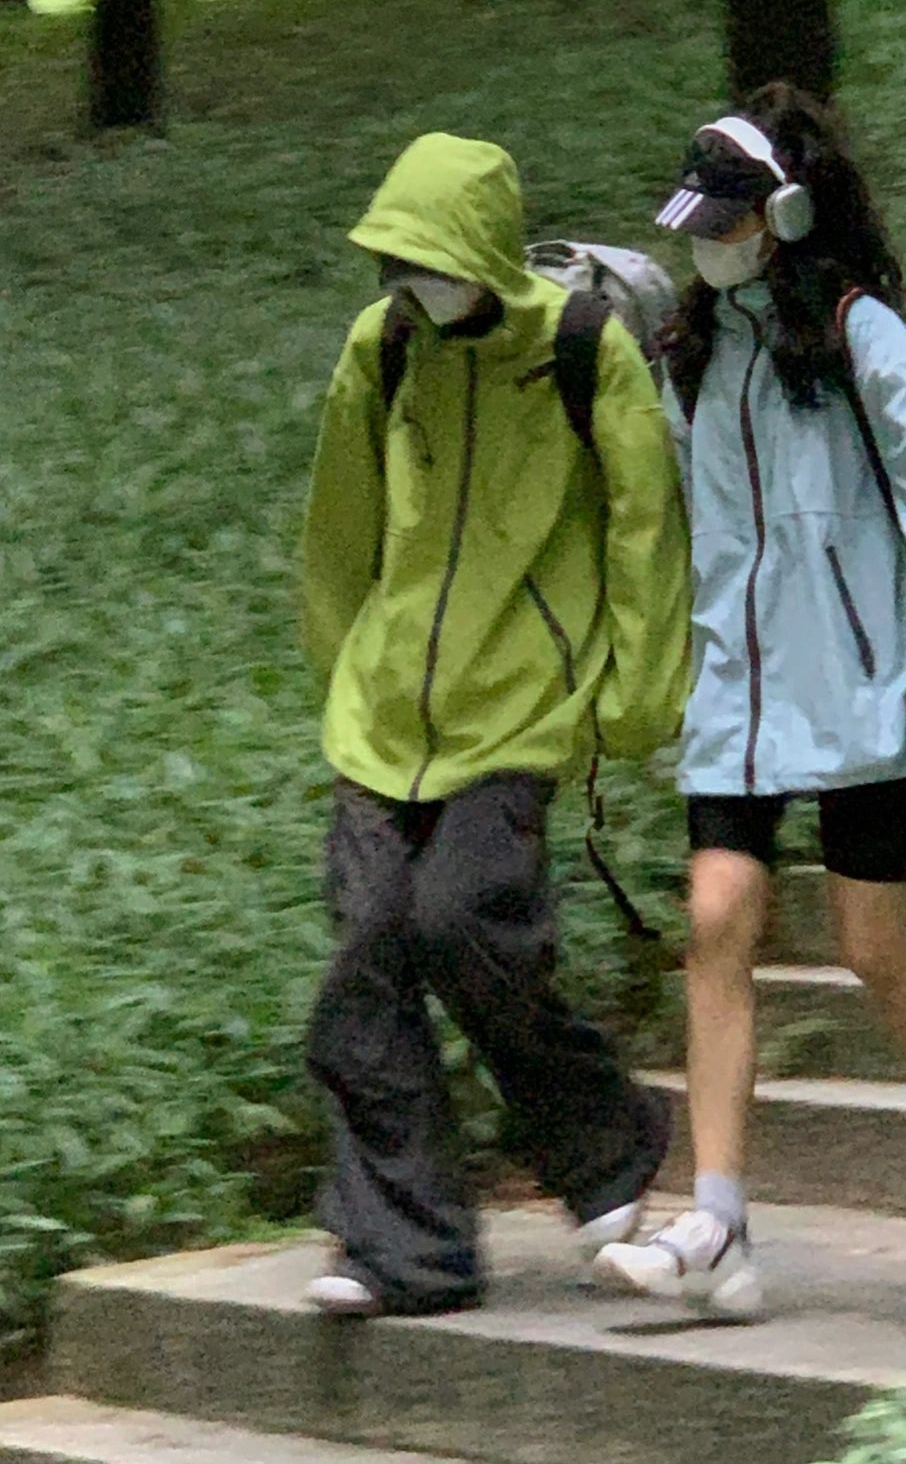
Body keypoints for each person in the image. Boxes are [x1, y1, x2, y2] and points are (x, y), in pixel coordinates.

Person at [593, 84, 906, 1318]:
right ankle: (717, 1223)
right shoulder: (691, 352)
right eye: (697, 225)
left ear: (786, 213)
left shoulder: (855, 330)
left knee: (872, 944)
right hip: (738, 686)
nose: (708, 243)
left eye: (727, 221)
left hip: (854, 683)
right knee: (716, 918)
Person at [300, 133, 691, 1318]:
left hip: (522, 703)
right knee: (366, 961)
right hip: (382, 714)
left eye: (431, 258)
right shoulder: (381, 346)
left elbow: (644, 528)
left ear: (480, 252)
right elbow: (339, 525)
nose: (413, 281)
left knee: (464, 921)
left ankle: (604, 1145)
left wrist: (633, 698)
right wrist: (346, 669)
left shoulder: (579, 346)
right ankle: (405, 1250)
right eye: (398, 260)